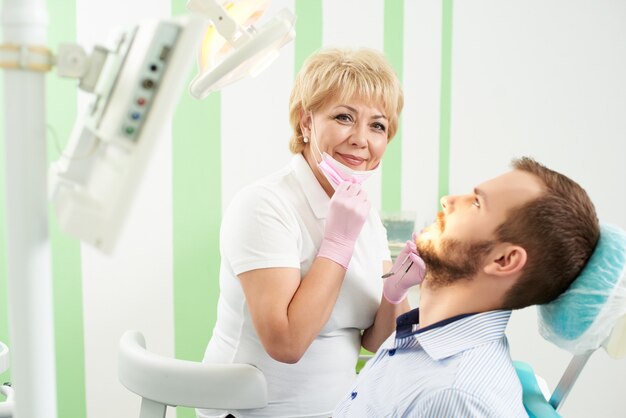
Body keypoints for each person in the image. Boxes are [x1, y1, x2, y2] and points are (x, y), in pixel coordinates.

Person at [197, 48, 425, 418]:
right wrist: (337, 243)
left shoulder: (362, 214)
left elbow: (375, 342)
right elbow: (287, 343)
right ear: (306, 122)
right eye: (344, 117)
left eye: (377, 125)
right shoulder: (263, 205)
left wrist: (394, 293)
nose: (361, 139)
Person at [333, 157, 600, 417]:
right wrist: (393, 295)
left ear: (503, 260)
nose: (447, 201)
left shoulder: (454, 396)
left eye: (475, 203)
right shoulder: (422, 338)